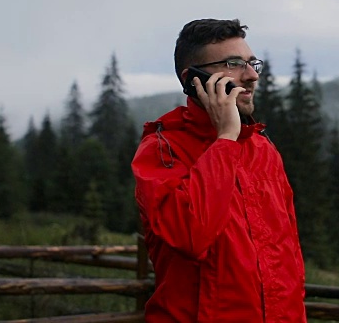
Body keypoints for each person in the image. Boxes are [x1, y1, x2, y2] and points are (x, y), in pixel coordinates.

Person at [131, 18, 306, 322]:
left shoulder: (263, 150)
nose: (252, 76)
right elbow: (190, 236)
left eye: (253, 63)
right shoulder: (161, 150)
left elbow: (289, 260)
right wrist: (225, 138)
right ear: (193, 79)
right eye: (234, 63)